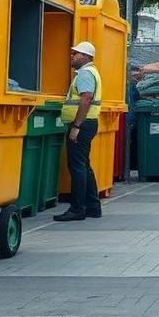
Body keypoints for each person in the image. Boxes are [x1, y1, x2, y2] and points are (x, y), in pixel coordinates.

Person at [54, 41, 102, 222]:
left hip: (81, 125)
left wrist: (76, 126)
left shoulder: (85, 74)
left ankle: (77, 209)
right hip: (88, 123)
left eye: (76, 54)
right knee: (83, 165)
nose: (72, 56)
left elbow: (86, 98)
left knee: (77, 167)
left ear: (86, 57)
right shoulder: (91, 72)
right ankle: (93, 207)